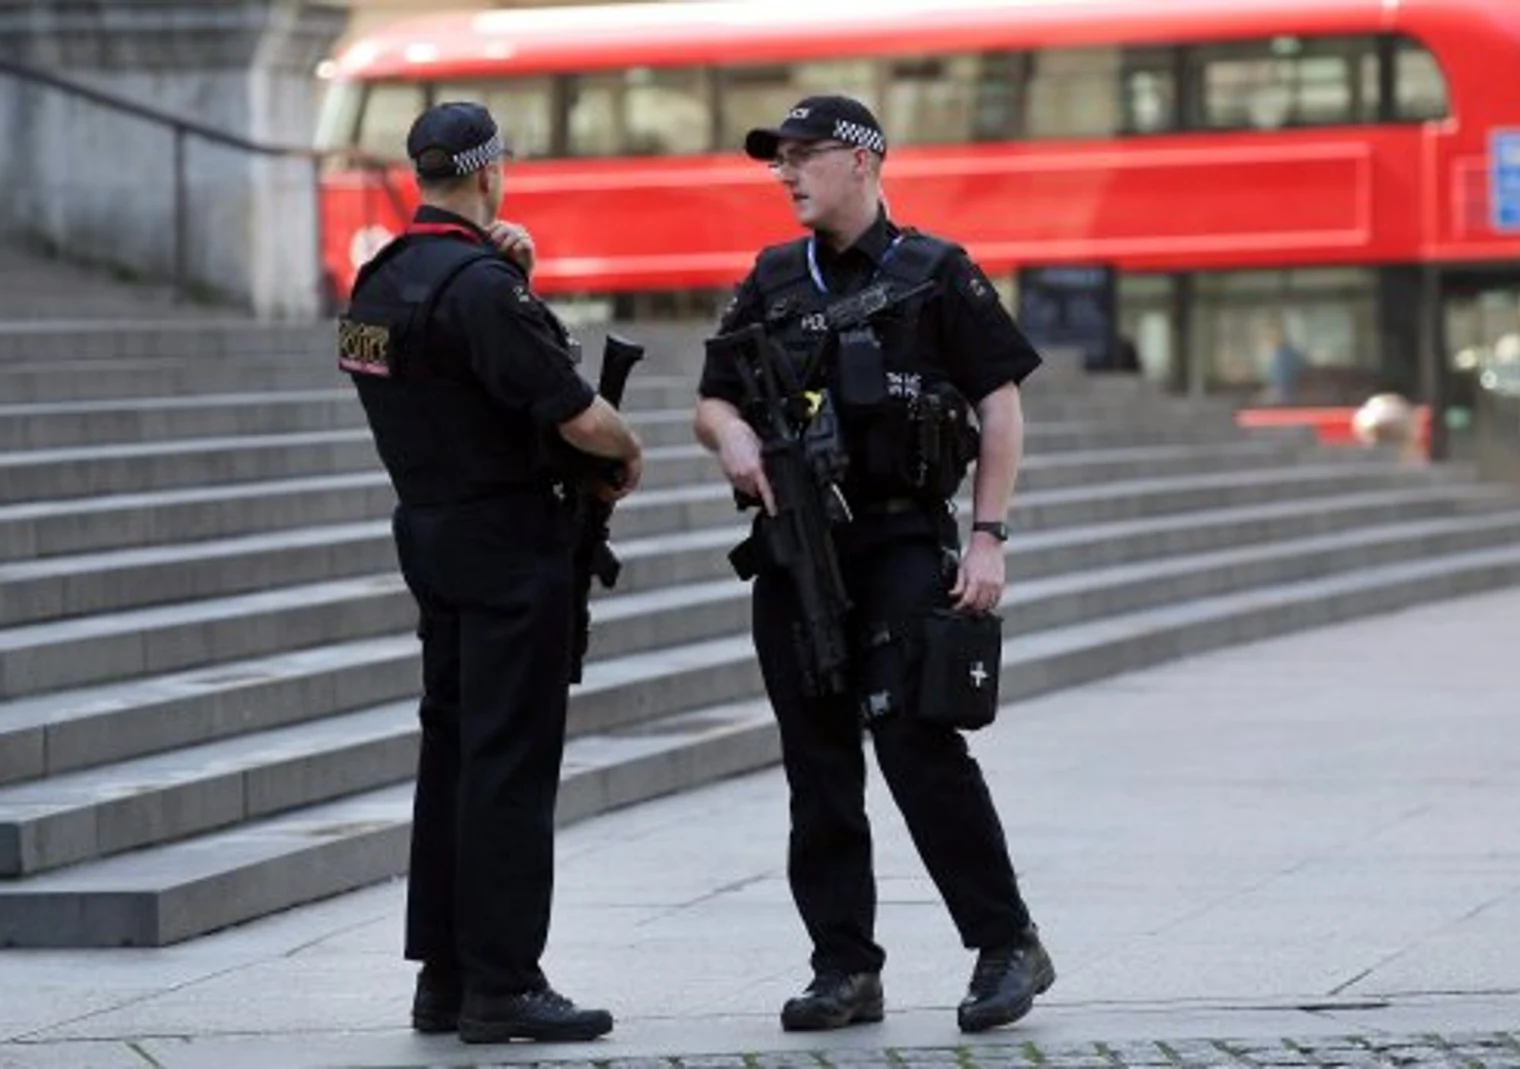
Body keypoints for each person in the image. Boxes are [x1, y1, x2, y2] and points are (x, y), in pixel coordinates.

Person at [691, 95, 1054, 1035]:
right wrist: (730, 439)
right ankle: (844, 967)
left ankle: (1006, 940)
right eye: (780, 158)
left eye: (804, 155)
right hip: (798, 554)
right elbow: (713, 399)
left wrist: (988, 535)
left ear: (862, 159)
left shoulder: (936, 273)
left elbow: (1000, 404)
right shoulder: (773, 277)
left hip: (900, 541)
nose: (786, 172)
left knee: (916, 743)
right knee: (816, 767)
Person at [336, 101, 639, 1044]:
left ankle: (445, 975)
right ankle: (504, 982)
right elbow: (576, 414)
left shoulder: (378, 282)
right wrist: (626, 450)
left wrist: (508, 279)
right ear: (488, 172)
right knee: (509, 761)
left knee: (455, 752)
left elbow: (439, 377)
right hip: (509, 541)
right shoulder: (479, 288)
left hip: (430, 532)